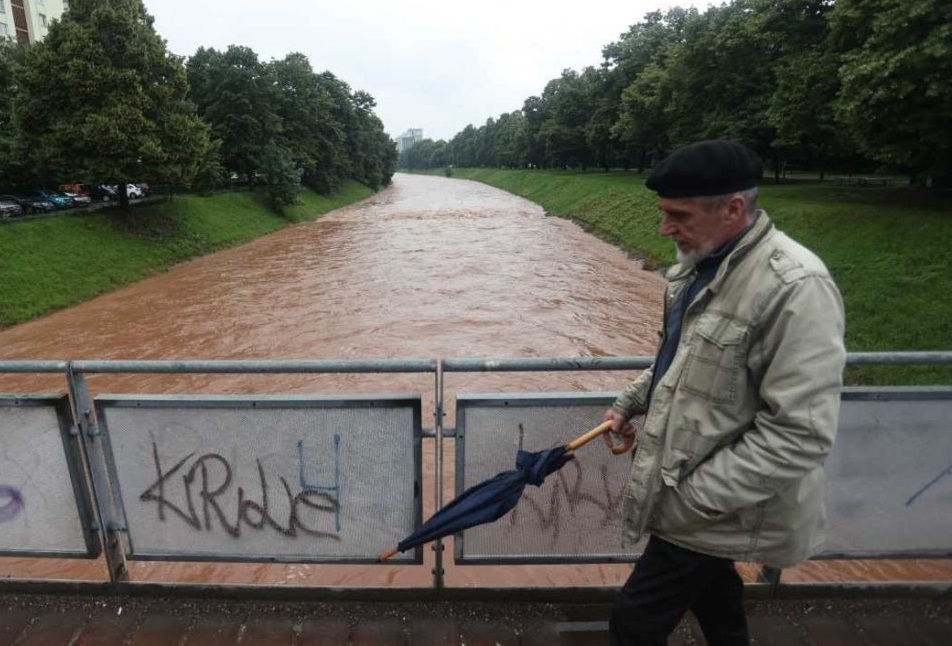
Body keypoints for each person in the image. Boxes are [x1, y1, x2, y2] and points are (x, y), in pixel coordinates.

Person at [602, 139, 846, 645]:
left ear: (733, 208)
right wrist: (630, 401)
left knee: (634, 621)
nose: (664, 228)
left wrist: (694, 499)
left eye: (678, 215)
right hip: (693, 488)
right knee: (717, 602)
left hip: (704, 499)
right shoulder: (697, 267)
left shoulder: (796, 287)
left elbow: (801, 432)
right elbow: (681, 360)